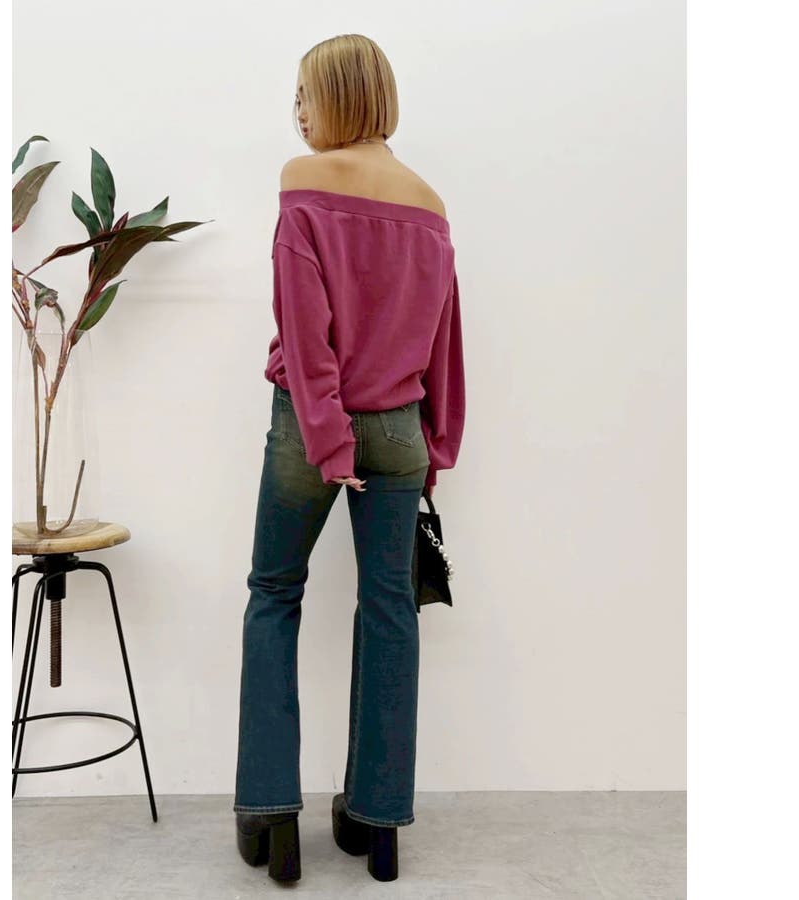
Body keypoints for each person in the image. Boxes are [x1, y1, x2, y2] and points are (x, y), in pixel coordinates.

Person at [233, 33, 466, 884]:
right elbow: (445, 339)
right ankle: (377, 824)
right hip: (400, 430)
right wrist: (435, 443)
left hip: (310, 427)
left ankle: (271, 815)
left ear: (339, 96)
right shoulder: (429, 204)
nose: (296, 113)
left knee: (274, 593)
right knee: (390, 610)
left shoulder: (304, 185)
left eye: (305, 94)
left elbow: (305, 329)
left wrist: (329, 439)